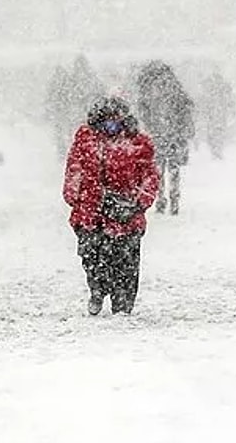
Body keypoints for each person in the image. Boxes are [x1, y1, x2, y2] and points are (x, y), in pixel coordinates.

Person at [63, 96, 159, 315]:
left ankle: (123, 304)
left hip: (126, 214)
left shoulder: (139, 143)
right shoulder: (86, 139)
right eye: (107, 120)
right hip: (90, 212)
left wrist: (139, 202)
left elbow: (150, 175)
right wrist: (73, 195)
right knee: (92, 256)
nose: (111, 125)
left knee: (126, 263)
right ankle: (97, 289)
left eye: (115, 120)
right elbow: (74, 168)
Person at [136, 60, 195, 215]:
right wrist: (184, 129)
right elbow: (187, 109)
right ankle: (173, 199)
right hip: (174, 135)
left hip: (157, 136)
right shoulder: (175, 88)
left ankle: (161, 199)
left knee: (158, 170)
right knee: (173, 169)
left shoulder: (148, 89)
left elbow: (143, 112)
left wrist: (150, 127)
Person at [198, 69, 235, 160]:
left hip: (216, 116)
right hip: (218, 116)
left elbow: (230, 101)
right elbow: (230, 102)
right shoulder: (219, 91)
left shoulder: (215, 91)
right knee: (216, 134)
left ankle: (216, 150)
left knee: (214, 134)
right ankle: (216, 150)